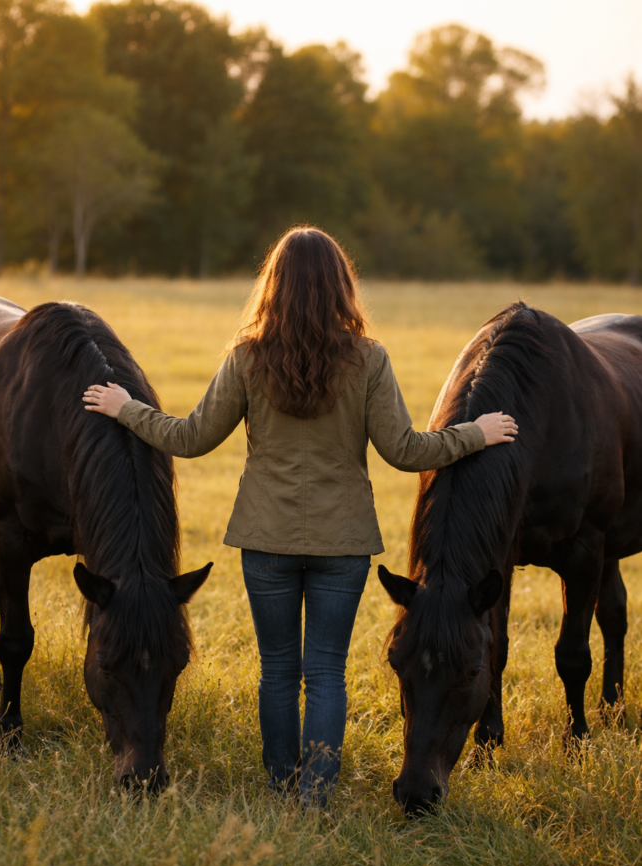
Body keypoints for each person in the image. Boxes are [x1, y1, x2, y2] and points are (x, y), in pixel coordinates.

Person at [83, 226, 517, 808]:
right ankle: (316, 794)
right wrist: (476, 433)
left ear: (273, 286)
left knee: (278, 670)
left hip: (266, 540)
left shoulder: (246, 358)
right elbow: (408, 451)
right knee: (328, 672)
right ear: (342, 287)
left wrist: (124, 408)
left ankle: (279, 784)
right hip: (344, 543)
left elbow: (186, 438)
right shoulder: (369, 359)